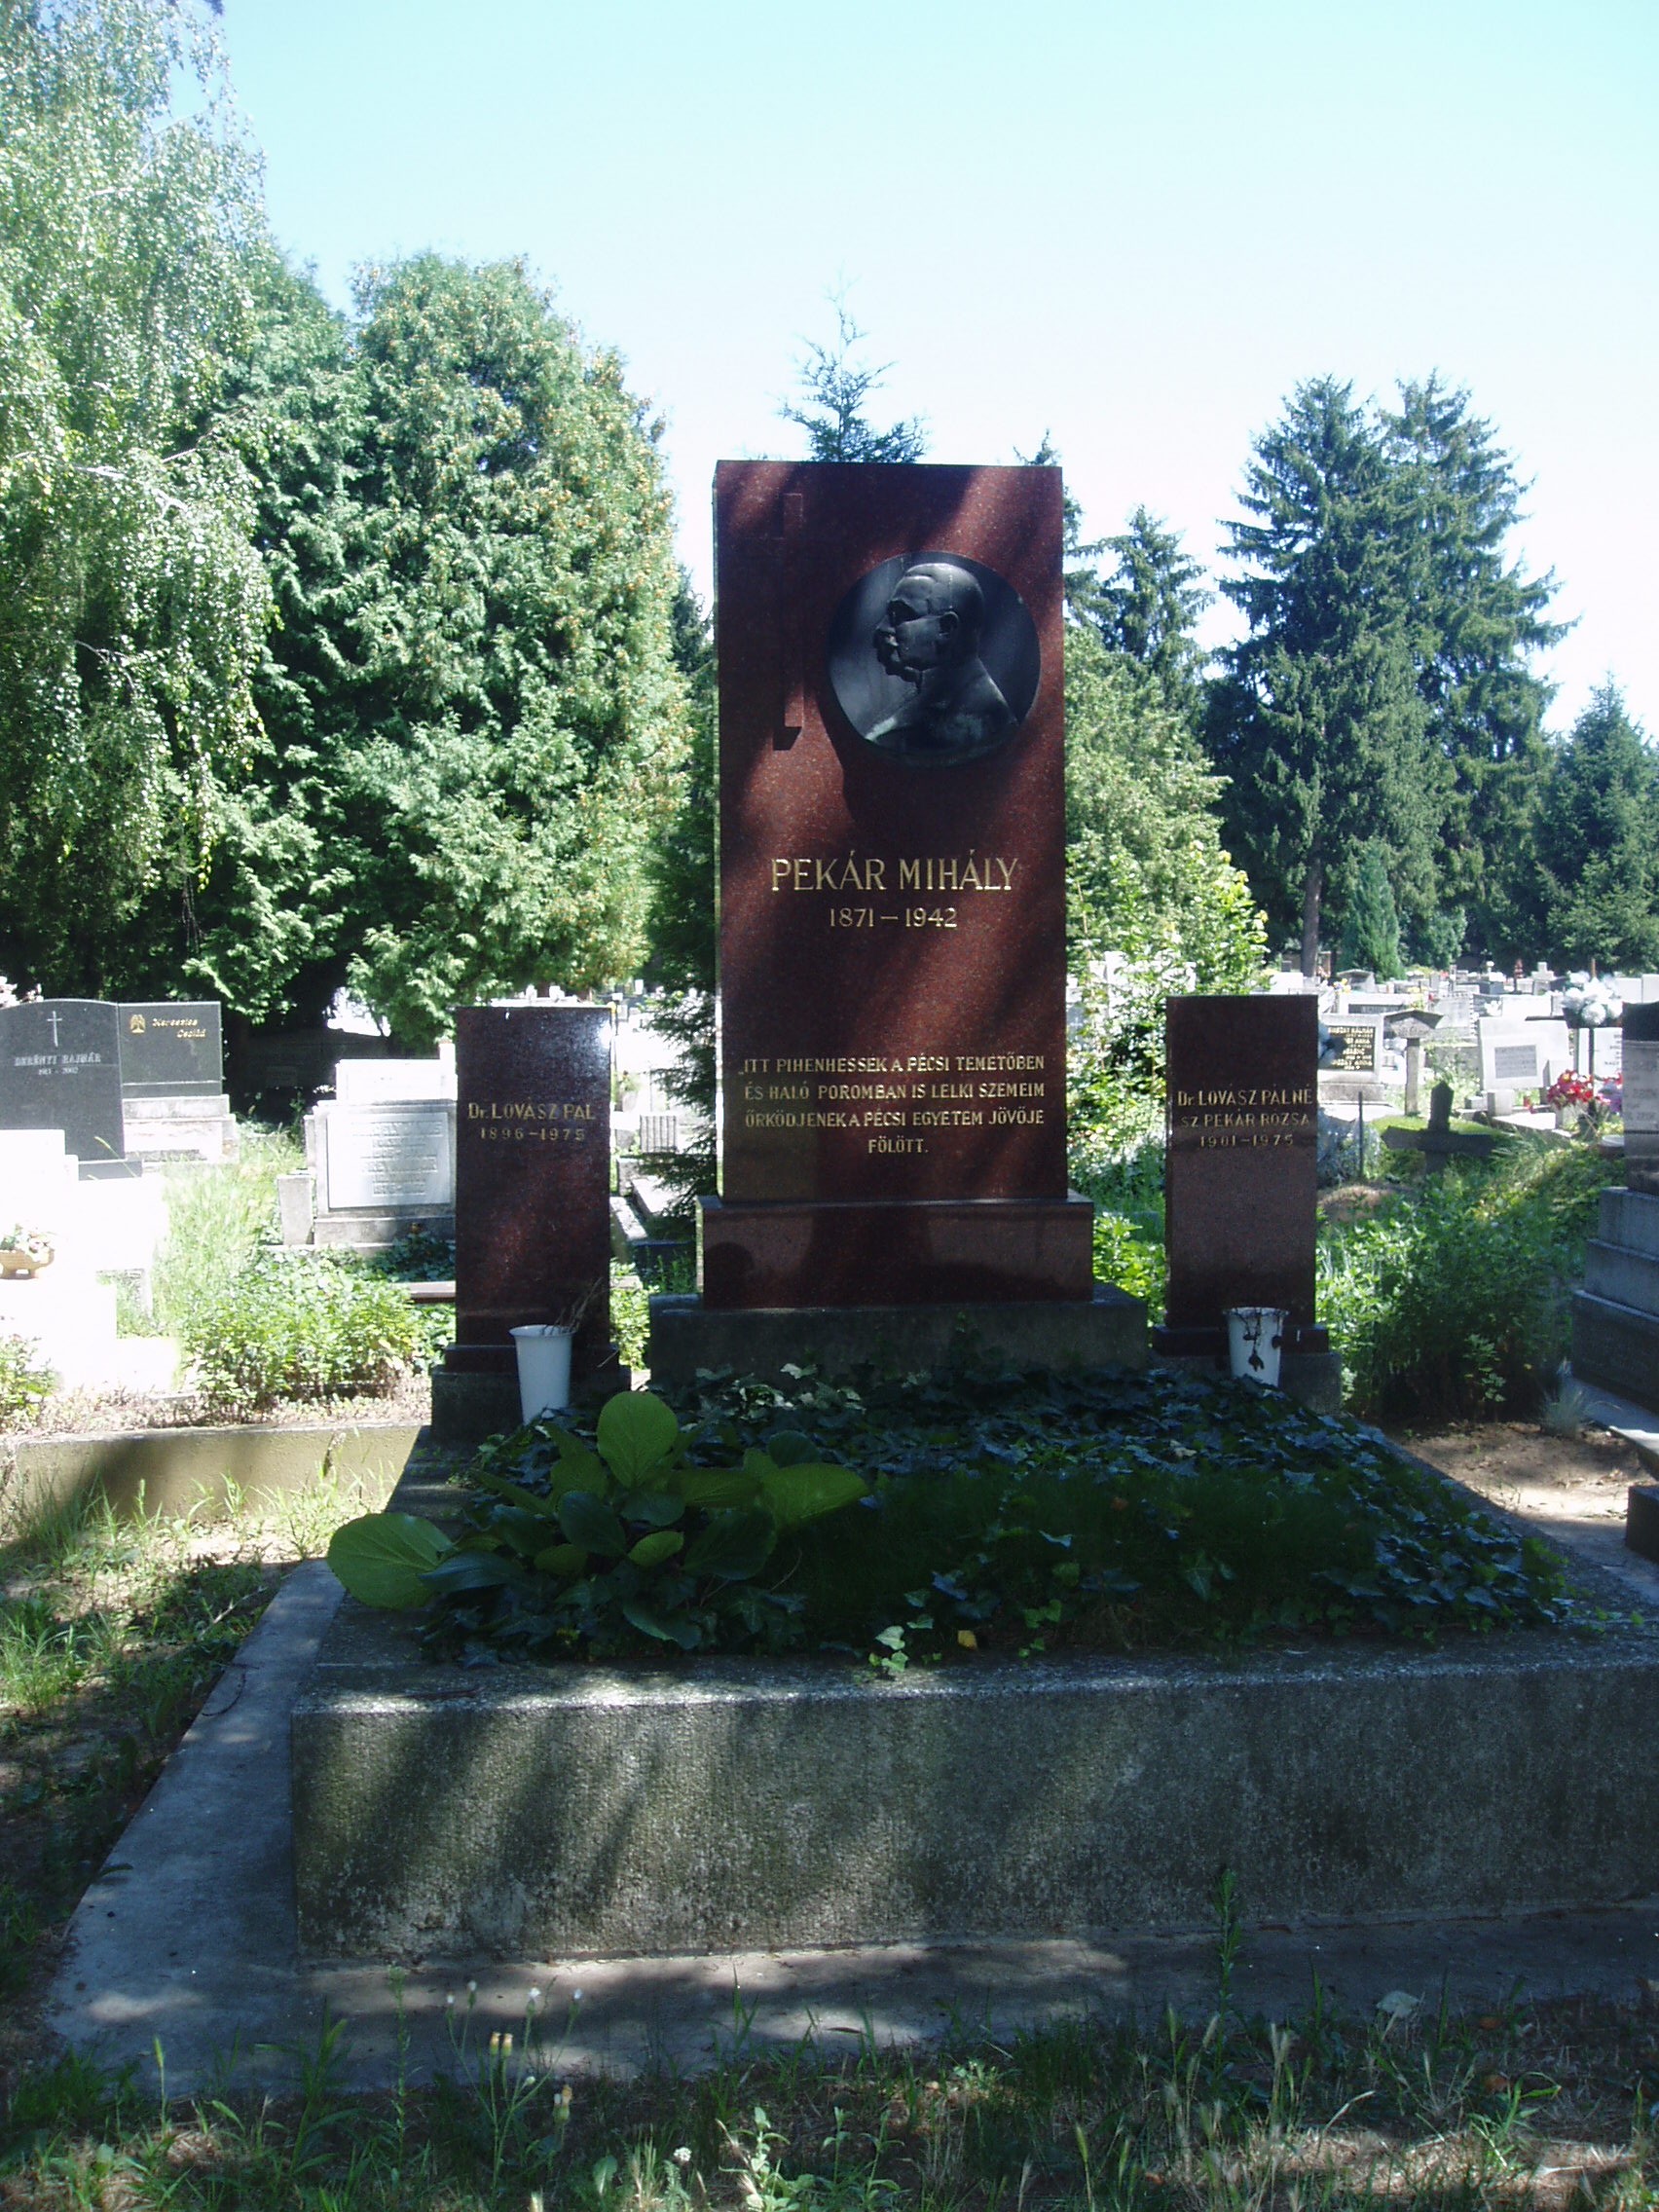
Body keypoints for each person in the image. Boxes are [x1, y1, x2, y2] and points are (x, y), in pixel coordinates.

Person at [867, 561, 1014, 755]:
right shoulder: (921, 700)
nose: (881, 628)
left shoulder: (985, 717)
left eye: (900, 615)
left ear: (946, 629)